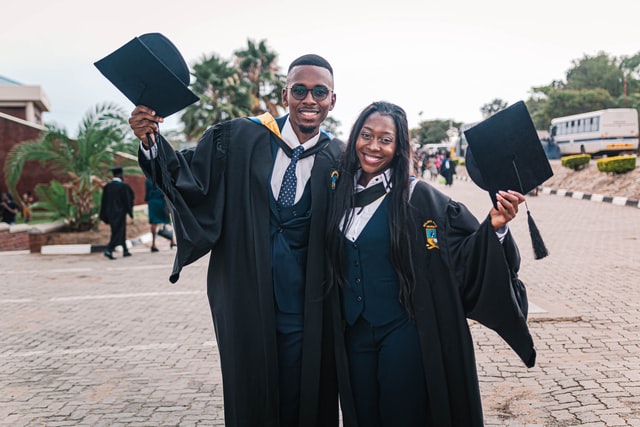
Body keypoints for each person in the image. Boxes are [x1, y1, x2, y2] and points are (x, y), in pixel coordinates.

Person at [129, 54, 348, 426]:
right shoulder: (240, 137)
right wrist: (151, 140)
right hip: (247, 296)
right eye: (299, 90)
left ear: (332, 99)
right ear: (285, 94)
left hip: (310, 306)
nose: (309, 100)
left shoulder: (341, 157)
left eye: (319, 91)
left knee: (306, 393)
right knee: (251, 392)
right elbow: (191, 180)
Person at [325, 101, 536, 426]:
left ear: (399, 147)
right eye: (367, 135)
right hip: (353, 335)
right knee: (363, 416)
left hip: (402, 333)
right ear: (355, 136)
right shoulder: (337, 193)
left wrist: (494, 226)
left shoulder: (420, 199)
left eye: (385, 139)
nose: (373, 146)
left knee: (403, 416)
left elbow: (462, 256)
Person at [99, 166, 135, 260]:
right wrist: (130, 213)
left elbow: (103, 202)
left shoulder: (108, 186)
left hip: (110, 213)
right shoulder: (123, 186)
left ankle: (125, 250)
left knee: (120, 231)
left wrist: (103, 215)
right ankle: (109, 249)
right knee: (118, 232)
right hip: (120, 213)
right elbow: (128, 200)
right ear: (120, 175)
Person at [144, 178, 175, 252]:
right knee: (167, 221)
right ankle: (172, 241)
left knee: (154, 222)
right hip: (161, 202)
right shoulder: (160, 177)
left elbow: (147, 193)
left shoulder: (148, 179)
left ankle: (153, 244)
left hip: (152, 202)